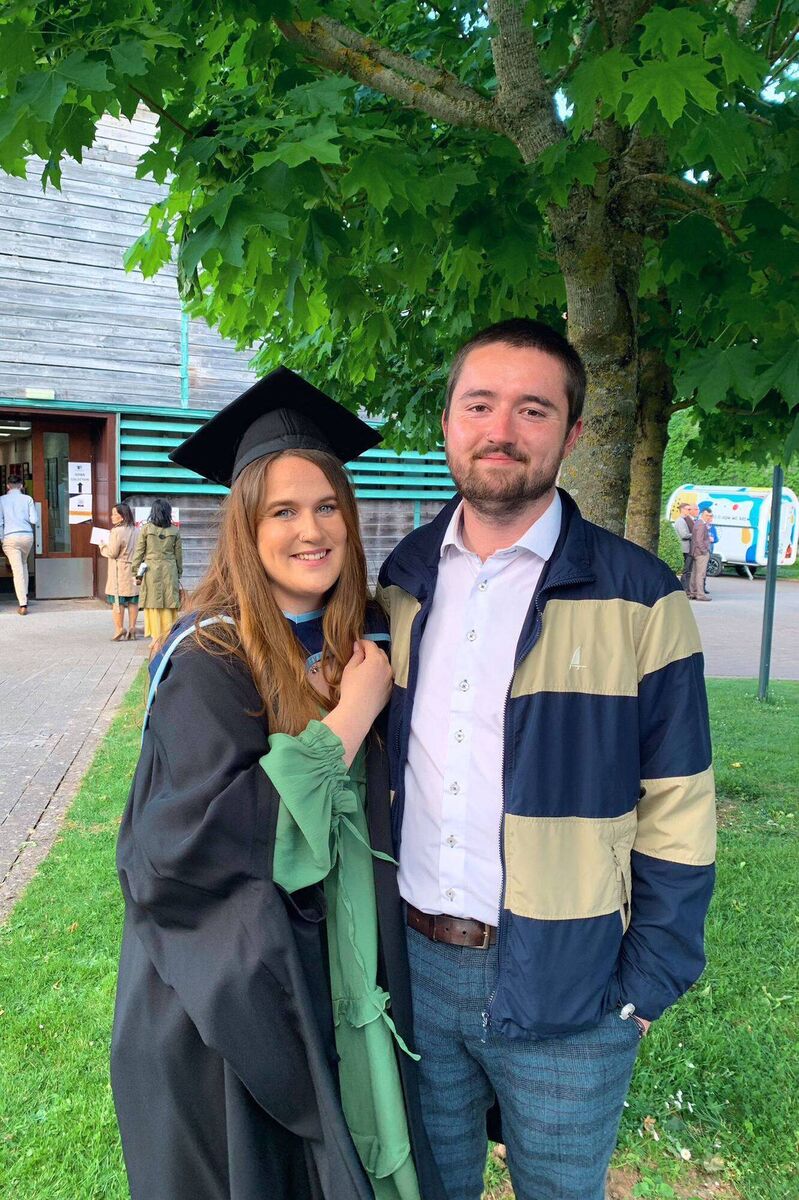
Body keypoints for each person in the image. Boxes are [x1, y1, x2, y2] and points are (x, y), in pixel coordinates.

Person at [378, 319, 716, 1200]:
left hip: (573, 983)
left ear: (570, 434)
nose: (501, 430)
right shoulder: (400, 582)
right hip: (412, 970)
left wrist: (644, 985)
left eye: (532, 409)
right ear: (447, 421)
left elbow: (678, 805)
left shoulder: (640, 596)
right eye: (479, 404)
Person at [111, 368, 445, 1200]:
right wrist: (348, 721)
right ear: (244, 528)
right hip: (227, 1012)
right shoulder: (208, 661)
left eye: (327, 505)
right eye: (282, 511)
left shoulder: (359, 634)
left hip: (329, 985)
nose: (312, 530)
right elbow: (183, 852)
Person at [131, 498, 183, 639]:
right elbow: (178, 554)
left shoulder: (146, 529)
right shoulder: (174, 530)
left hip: (151, 569)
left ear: (153, 512)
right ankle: (168, 635)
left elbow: (139, 552)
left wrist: (135, 572)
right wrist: (178, 572)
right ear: (168, 512)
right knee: (169, 601)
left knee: (152, 601)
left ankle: (155, 636)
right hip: (169, 568)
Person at [100, 502, 140, 640]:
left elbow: (112, 552)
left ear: (122, 516)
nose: (112, 517)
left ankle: (119, 629)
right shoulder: (137, 530)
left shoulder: (116, 531)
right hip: (134, 569)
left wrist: (102, 546)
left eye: (114, 514)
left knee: (118, 600)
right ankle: (133, 628)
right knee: (133, 600)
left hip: (119, 570)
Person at [0, 474, 37, 615]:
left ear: (8, 486)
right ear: (22, 485)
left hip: (10, 537)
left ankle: (22, 604)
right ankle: (25, 595)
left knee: (17, 571)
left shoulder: (2, 500)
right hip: (27, 536)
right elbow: (34, 519)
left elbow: (0, 522)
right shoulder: (27, 499)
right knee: (23, 564)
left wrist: (2, 539)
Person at [688, 504, 714, 601]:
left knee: (695, 573)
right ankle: (700, 595)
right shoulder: (701, 525)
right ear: (702, 515)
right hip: (700, 553)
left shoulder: (698, 523)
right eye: (707, 515)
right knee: (700, 574)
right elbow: (699, 540)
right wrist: (704, 551)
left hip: (695, 552)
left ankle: (693, 593)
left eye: (710, 516)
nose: (709, 518)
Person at [672, 501, 695, 591]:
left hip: (687, 548)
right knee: (685, 570)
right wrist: (694, 534)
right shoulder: (680, 521)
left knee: (687, 569)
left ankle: (685, 587)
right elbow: (684, 535)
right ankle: (684, 588)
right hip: (684, 548)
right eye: (688, 509)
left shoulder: (685, 520)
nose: (689, 511)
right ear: (682, 510)